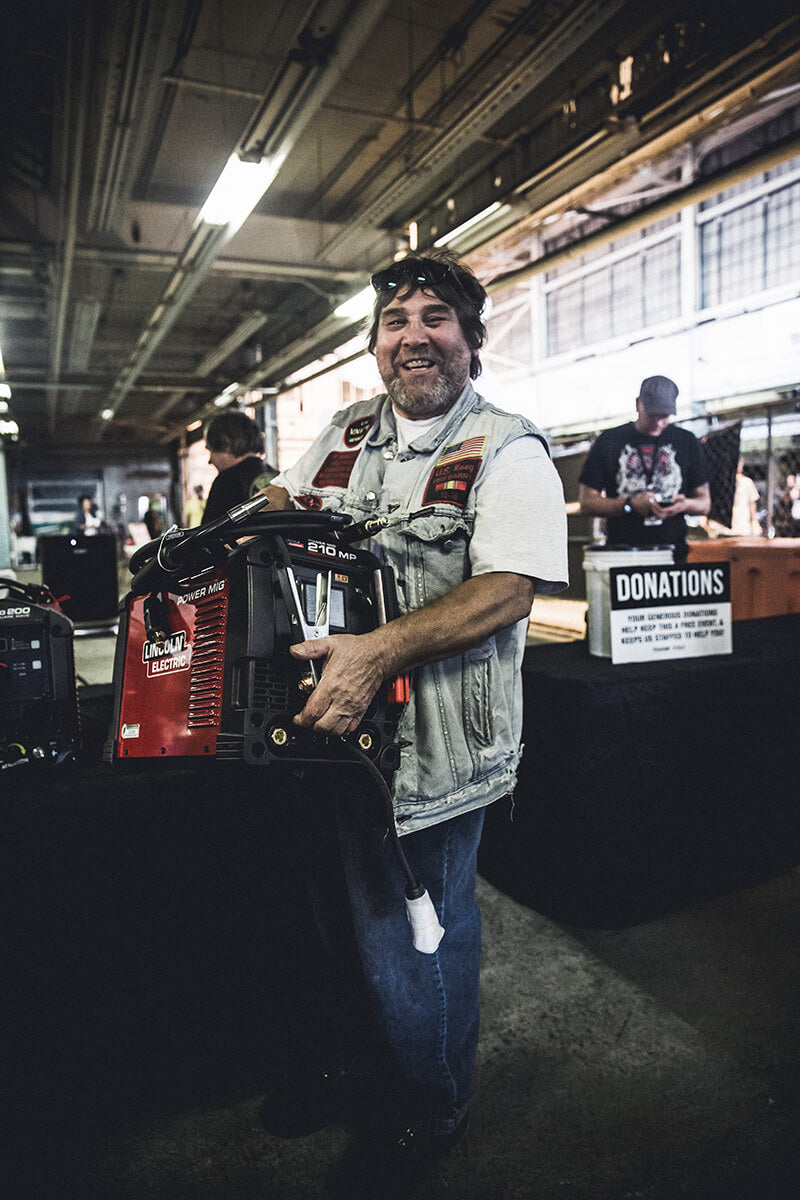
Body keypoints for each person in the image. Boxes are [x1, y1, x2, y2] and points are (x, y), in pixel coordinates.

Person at [256, 254, 567, 1198]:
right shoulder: (346, 432)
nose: (414, 336)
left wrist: (378, 651)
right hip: (328, 733)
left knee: (415, 941)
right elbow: (285, 506)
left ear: (471, 339)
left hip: (435, 751)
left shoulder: (506, 447)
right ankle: (356, 1069)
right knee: (334, 924)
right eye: (396, 321)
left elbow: (507, 589)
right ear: (376, 345)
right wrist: (262, 529)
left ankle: (430, 1108)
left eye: (437, 317)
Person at [577, 374, 711, 561]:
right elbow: (586, 502)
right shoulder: (609, 441)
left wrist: (683, 505)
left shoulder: (686, 441)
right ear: (638, 403)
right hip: (623, 554)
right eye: (652, 414)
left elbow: (704, 503)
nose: (658, 422)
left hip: (673, 555)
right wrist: (629, 505)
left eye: (664, 416)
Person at [201, 410, 277, 524]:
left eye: (211, 451)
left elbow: (210, 532)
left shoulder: (226, 482)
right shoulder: (279, 478)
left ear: (226, 444)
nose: (210, 461)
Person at [729, 458, 761, 537]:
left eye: (740, 462)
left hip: (743, 526)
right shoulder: (724, 481)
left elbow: (752, 505)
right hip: (725, 529)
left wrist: (754, 523)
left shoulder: (747, 482)